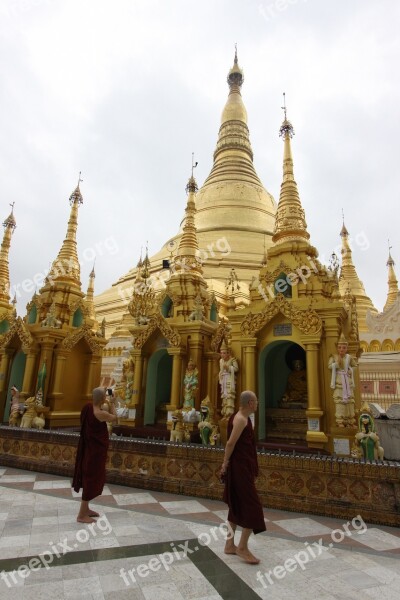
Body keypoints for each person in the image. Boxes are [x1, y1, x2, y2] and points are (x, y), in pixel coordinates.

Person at [220, 390, 266, 564]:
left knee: (236, 506)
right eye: (256, 401)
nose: (257, 404)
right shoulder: (240, 419)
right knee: (253, 507)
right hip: (240, 468)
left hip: (242, 466)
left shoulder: (241, 417)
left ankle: (229, 544)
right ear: (250, 403)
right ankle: (242, 547)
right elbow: (230, 442)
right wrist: (225, 463)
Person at [72, 387, 118, 523]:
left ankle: (85, 509)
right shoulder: (100, 413)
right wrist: (113, 402)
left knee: (89, 476)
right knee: (92, 478)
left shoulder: (87, 408)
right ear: (103, 399)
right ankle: (81, 515)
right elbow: (115, 419)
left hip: (88, 447)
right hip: (95, 451)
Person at [328, 334, 357, 427]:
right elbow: (329, 366)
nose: (341, 349)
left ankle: (350, 420)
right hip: (339, 381)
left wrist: (350, 370)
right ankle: (340, 421)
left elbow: (355, 366)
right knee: (340, 401)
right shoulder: (334, 357)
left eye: (344, 347)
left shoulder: (349, 357)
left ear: (346, 348)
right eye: (340, 347)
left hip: (347, 381)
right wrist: (336, 364)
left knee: (350, 401)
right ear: (337, 348)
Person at [219, 343, 239, 418]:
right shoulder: (221, 361)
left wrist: (228, 368)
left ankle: (229, 414)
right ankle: (224, 413)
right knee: (224, 396)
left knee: (229, 396)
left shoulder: (232, 360)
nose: (222, 355)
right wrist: (220, 375)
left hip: (229, 380)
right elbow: (221, 371)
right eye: (221, 353)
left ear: (228, 353)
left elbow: (236, 369)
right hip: (223, 380)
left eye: (224, 353)